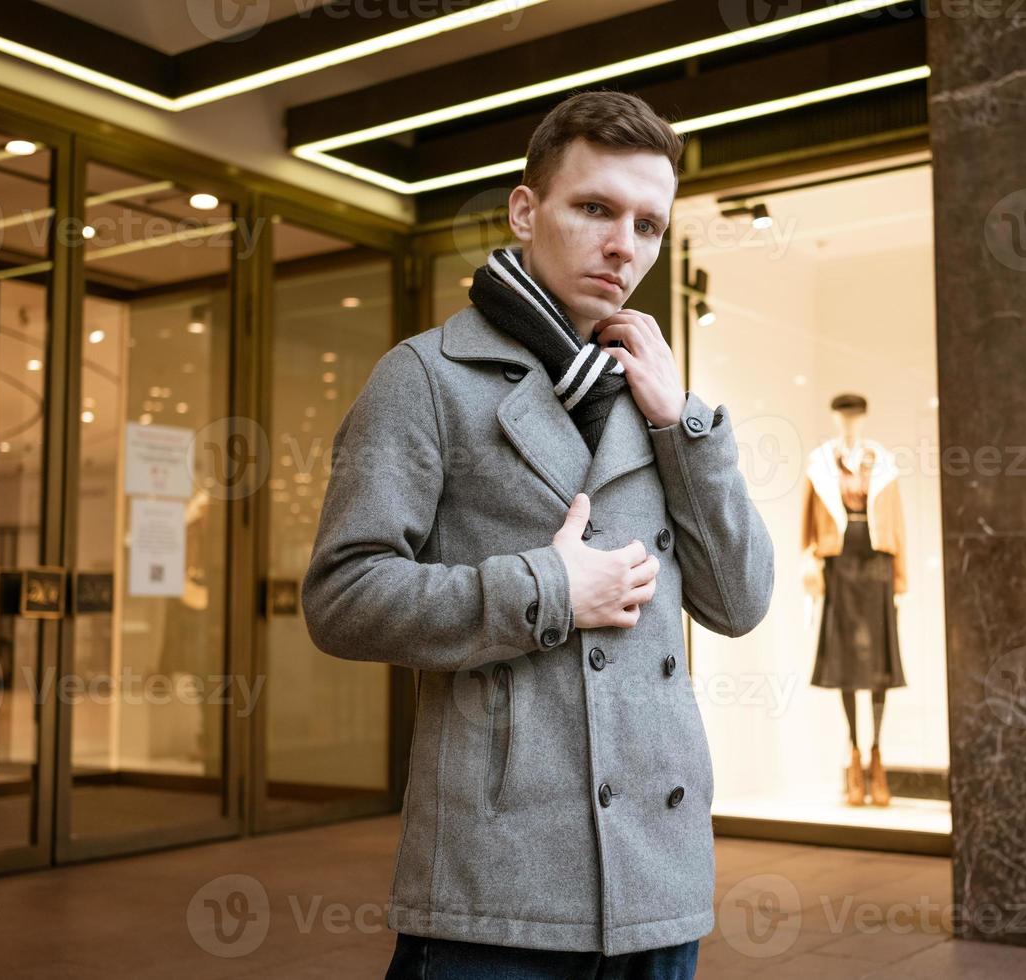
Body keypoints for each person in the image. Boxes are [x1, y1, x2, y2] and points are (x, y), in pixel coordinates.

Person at [302, 89, 774, 979]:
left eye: (647, 224)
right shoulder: (426, 377)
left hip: (658, 879)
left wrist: (684, 428)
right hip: (496, 885)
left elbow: (741, 602)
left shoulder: (659, 391)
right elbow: (342, 599)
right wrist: (548, 589)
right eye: (594, 208)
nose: (622, 246)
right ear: (527, 209)